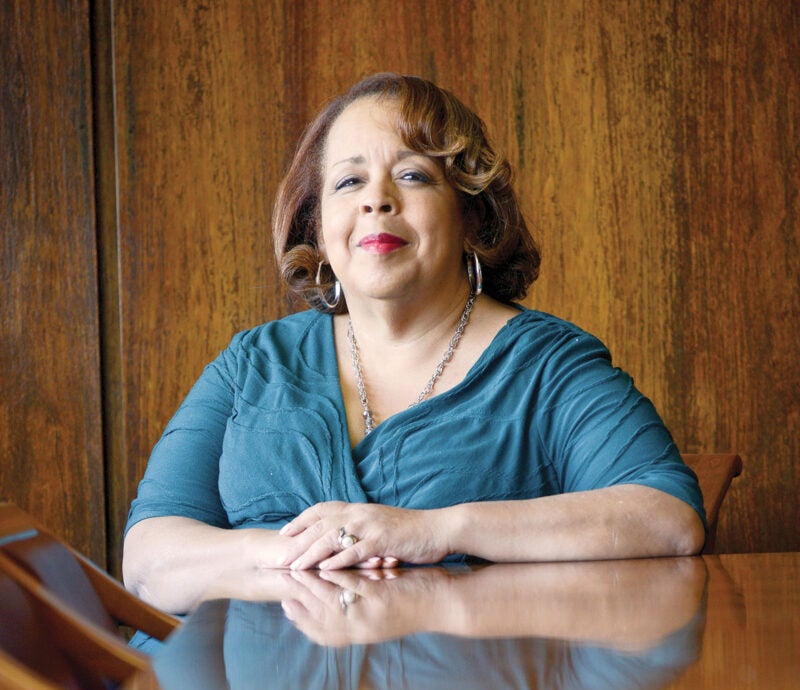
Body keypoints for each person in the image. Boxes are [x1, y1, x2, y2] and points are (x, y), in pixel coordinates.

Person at [123, 72, 706, 615]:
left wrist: (432, 531)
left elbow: (667, 518)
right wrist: (293, 553)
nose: (376, 200)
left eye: (412, 175)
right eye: (349, 181)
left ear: (472, 217)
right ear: (318, 230)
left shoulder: (548, 365)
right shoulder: (251, 364)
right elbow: (147, 561)